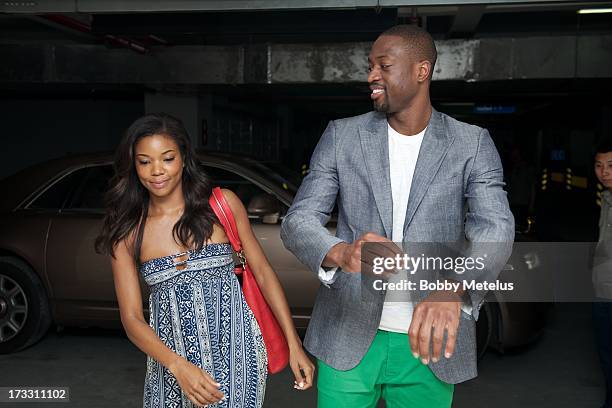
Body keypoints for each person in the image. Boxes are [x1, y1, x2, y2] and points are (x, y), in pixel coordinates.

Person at [281, 24, 514, 408]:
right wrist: (342, 253)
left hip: (430, 342)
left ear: (421, 71)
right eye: (370, 66)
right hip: (347, 337)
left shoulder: (471, 143)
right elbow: (299, 220)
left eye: (383, 66)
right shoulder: (342, 136)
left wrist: (454, 288)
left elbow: (496, 229)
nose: (371, 75)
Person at [95, 113, 314, 408]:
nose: (156, 171)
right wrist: (177, 366)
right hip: (171, 365)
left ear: (184, 158)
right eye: (144, 161)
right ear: (134, 166)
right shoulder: (128, 231)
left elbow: (262, 272)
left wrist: (293, 344)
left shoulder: (222, 205)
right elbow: (132, 318)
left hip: (239, 353)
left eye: (167, 158)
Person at [592, 139, 612, 408]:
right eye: (599, 166)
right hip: (602, 292)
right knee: (606, 355)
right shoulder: (606, 198)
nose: (604, 171)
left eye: (611, 166)